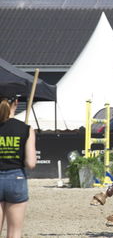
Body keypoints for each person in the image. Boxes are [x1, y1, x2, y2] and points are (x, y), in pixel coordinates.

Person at [0, 95, 36, 238]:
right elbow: (30, 163)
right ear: (16, 102)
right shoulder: (25, 129)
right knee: (15, 232)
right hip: (16, 178)